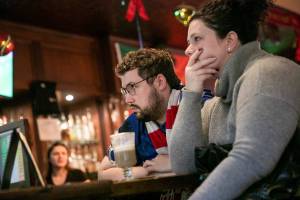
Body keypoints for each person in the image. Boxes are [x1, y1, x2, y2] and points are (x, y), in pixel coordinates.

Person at [169, 0, 300, 199]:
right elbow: (183, 165)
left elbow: (251, 158)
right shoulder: (215, 104)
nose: (188, 50)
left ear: (230, 41)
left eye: (196, 39)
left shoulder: (269, 73)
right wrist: (191, 92)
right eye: (189, 42)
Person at [99, 48, 213, 181]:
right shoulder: (134, 123)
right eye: (125, 91)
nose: (127, 99)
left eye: (132, 88)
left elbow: (226, 156)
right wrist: (146, 171)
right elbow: (103, 174)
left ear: (160, 82)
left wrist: (174, 164)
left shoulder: (200, 105)